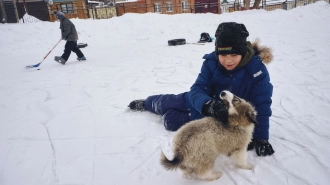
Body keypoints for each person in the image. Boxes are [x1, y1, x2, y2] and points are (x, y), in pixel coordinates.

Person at [128, 22, 275, 156]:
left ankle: (167, 117)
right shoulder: (211, 64)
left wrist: (260, 138)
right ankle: (148, 103)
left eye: (234, 55)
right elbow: (197, 89)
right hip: (203, 104)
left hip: (217, 119)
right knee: (170, 102)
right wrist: (207, 104)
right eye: (223, 54)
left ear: (243, 53)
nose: (228, 60)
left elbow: (261, 105)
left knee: (171, 123)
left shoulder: (257, 71)